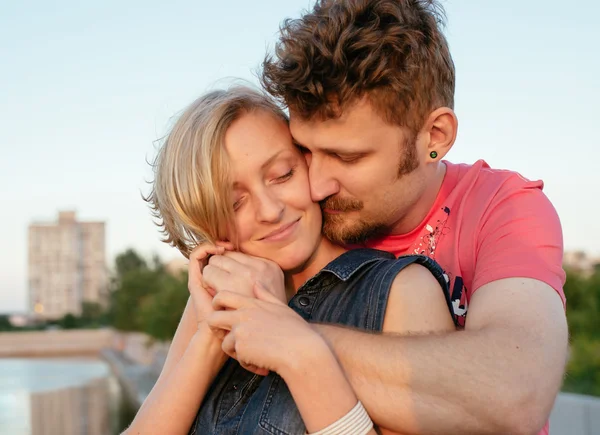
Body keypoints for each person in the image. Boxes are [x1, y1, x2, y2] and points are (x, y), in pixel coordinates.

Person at [204, 1, 565, 434]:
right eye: (304, 152)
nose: (316, 186)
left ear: (435, 136)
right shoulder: (297, 220)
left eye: (347, 157)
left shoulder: (502, 208)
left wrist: (291, 335)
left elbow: (513, 394)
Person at [124, 86, 456, 435]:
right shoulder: (213, 297)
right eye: (235, 203)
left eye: (283, 174)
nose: (270, 210)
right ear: (209, 223)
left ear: (308, 162)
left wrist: (303, 357)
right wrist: (212, 335)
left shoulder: (402, 292)